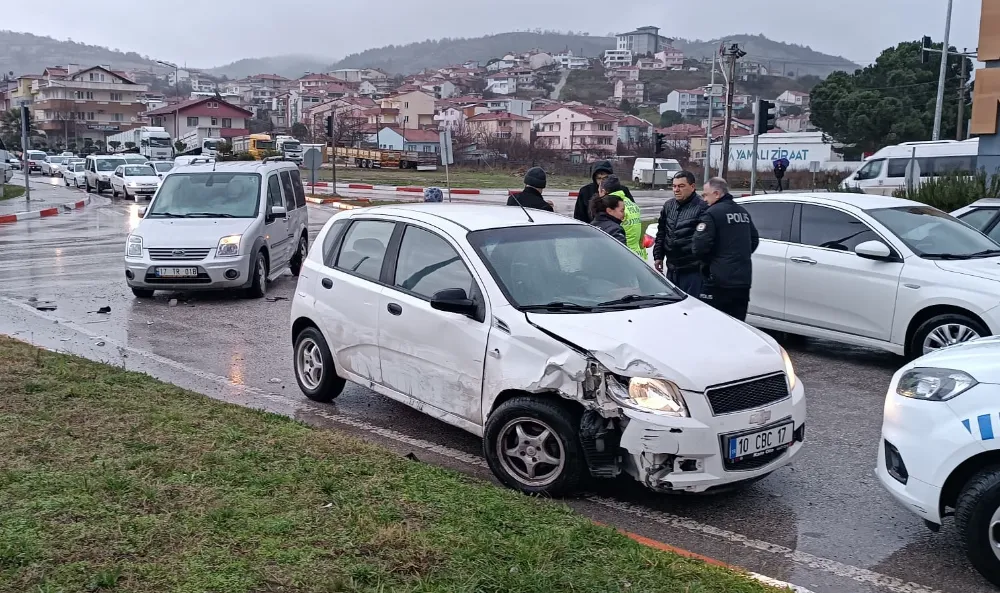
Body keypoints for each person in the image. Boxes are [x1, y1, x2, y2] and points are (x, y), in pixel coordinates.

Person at [691, 177, 759, 322]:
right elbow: (754, 241)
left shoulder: (711, 214)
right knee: (738, 324)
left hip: (718, 281)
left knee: (714, 324)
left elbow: (699, 247)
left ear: (716, 194)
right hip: (742, 280)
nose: (704, 199)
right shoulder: (742, 212)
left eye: (705, 194)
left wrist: (711, 264)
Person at [653, 170, 708, 296]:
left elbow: (704, 240)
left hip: (693, 271)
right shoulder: (669, 206)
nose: (676, 190)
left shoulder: (702, 207)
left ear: (692, 187)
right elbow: (661, 233)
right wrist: (658, 256)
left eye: (681, 186)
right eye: (674, 186)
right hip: (672, 268)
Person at [598, 175, 646, 258]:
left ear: (603, 191)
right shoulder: (630, 203)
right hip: (638, 255)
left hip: (624, 255)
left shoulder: (613, 206)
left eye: (598, 190)